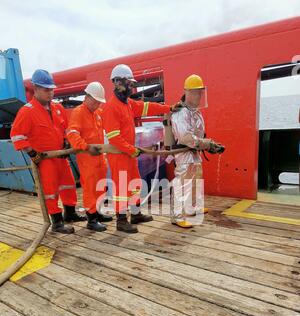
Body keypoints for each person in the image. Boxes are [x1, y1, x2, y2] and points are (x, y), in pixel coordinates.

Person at [102, 64, 181, 234]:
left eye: (132, 84)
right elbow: (114, 137)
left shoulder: (128, 104)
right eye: (129, 83)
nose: (132, 87)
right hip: (119, 155)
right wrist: (131, 150)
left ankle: (136, 214)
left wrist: (169, 108)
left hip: (129, 154)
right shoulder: (111, 107)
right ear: (117, 82)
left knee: (135, 183)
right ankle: (121, 221)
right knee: (122, 188)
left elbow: (148, 107)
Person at [11, 69, 85, 234]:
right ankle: (57, 222)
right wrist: (32, 154)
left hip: (60, 156)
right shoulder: (27, 111)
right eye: (46, 90)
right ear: (35, 89)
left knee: (68, 184)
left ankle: (70, 213)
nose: (50, 93)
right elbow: (16, 136)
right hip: (44, 159)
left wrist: (66, 145)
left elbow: (66, 129)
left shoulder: (58, 108)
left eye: (52, 89)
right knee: (50, 191)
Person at [171, 74, 224, 228]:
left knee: (195, 180)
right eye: (196, 92)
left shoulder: (195, 111)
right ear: (188, 92)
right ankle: (177, 215)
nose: (199, 95)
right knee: (183, 182)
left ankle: (191, 208)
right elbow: (185, 136)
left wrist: (208, 144)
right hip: (184, 152)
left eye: (201, 92)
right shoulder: (181, 112)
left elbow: (199, 133)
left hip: (195, 152)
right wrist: (206, 144)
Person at [67, 82, 113, 232]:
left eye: (99, 102)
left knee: (100, 186)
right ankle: (91, 219)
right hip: (87, 158)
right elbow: (72, 135)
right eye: (96, 102)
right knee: (90, 188)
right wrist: (86, 147)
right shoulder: (78, 112)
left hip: (100, 157)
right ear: (87, 97)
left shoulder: (97, 113)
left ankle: (98, 213)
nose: (97, 104)